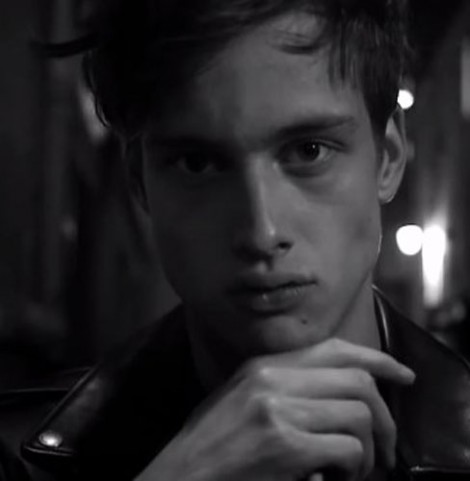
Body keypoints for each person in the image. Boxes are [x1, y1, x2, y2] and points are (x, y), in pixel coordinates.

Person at [2, 0, 470, 480]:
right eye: (198, 163)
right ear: (139, 182)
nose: (262, 233)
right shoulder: (13, 458)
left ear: (388, 158)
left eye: (309, 151)